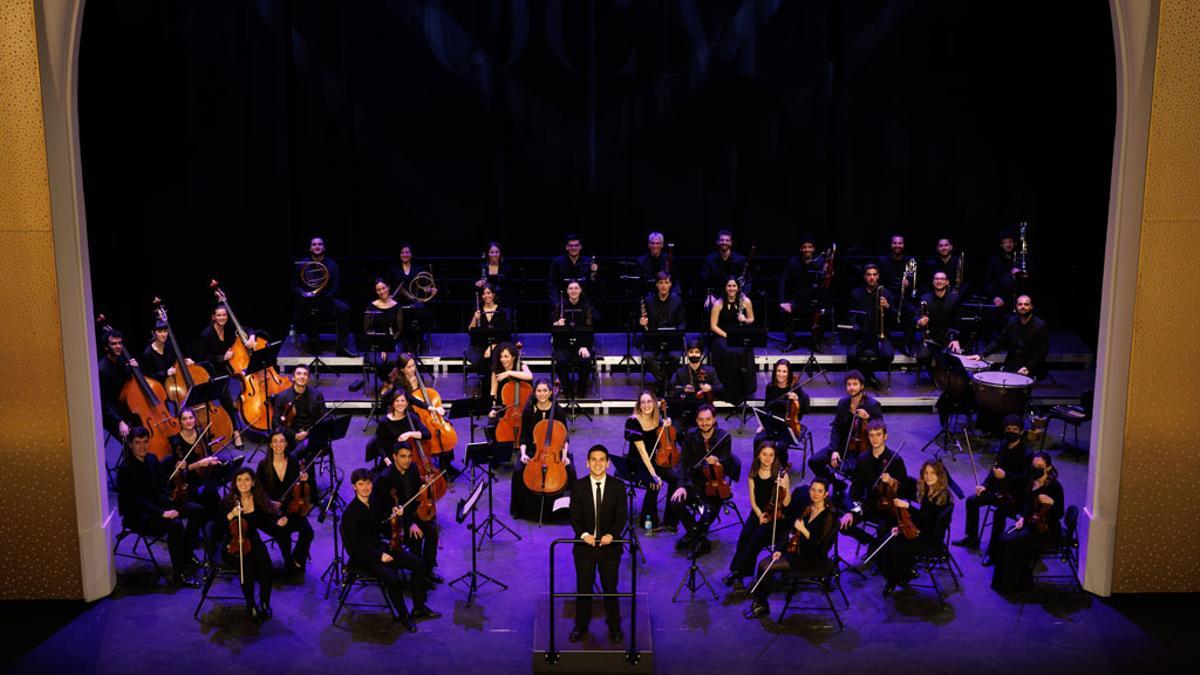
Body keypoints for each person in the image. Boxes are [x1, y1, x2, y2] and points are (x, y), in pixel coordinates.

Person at [341, 468, 439, 632]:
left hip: (381, 547)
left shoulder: (373, 502)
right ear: (354, 487)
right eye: (360, 484)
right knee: (392, 579)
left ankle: (419, 607)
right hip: (365, 558)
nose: (365, 487)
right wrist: (380, 555)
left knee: (420, 564)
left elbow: (383, 525)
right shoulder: (350, 513)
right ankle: (404, 617)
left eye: (368, 483)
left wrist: (394, 516)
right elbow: (354, 549)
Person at [116, 427, 202, 587]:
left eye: (145, 442)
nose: (142, 446)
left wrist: (175, 493)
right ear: (130, 445)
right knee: (175, 525)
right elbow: (136, 501)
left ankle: (187, 555)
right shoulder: (125, 470)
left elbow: (163, 484)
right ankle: (179, 575)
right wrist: (163, 513)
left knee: (196, 510)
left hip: (158, 505)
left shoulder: (152, 459)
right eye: (137, 443)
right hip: (138, 515)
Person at [743, 478, 838, 619]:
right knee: (763, 564)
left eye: (820, 491)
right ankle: (759, 601)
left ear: (826, 494)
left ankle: (761, 604)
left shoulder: (829, 515)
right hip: (797, 550)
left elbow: (821, 547)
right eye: (813, 490)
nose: (815, 494)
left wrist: (804, 530)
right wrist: (780, 550)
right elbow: (790, 533)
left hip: (813, 558)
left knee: (768, 568)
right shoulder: (808, 508)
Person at [568, 445, 628, 644]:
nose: (598, 463)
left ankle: (614, 626)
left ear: (608, 463)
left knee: (610, 587)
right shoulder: (578, 486)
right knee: (583, 587)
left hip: (609, 547)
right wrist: (584, 534)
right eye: (593, 459)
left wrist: (612, 534)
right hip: (585, 547)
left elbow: (621, 517)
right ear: (587, 463)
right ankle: (581, 625)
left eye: (602, 459)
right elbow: (574, 517)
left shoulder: (618, 487)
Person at [953, 414, 1031, 557]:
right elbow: (994, 470)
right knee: (972, 501)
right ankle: (972, 538)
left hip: (1015, 497)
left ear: (1021, 432)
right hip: (999, 491)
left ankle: (993, 551)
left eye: (1015, 429)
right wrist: (985, 485)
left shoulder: (1027, 453)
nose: (1011, 432)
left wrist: (1006, 475)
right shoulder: (1003, 445)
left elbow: (1026, 480)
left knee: (998, 514)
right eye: (1008, 429)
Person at [876, 460, 955, 597]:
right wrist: (901, 527)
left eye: (932, 473)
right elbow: (920, 517)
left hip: (930, 538)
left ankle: (894, 579)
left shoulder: (943, 496)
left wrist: (907, 506)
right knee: (884, 544)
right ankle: (906, 571)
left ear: (940, 475)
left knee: (895, 550)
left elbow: (928, 519)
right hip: (920, 529)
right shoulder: (926, 489)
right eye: (926, 473)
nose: (928, 476)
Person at [990, 451, 1064, 593]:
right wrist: (1022, 518)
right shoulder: (1031, 482)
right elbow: (1027, 505)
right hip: (1032, 523)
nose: (1036, 469)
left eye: (1040, 466)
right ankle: (1002, 583)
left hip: (1046, 529)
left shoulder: (1055, 487)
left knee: (1013, 542)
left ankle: (1017, 585)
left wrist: (1052, 502)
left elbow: (1059, 514)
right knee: (1004, 539)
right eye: (1034, 466)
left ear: (1048, 467)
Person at [666, 404, 735, 554]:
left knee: (709, 511)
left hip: (715, 485)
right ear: (697, 421)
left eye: (708, 419)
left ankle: (693, 535)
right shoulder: (690, 436)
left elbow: (728, 463)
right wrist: (681, 485)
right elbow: (682, 463)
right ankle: (698, 537)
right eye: (701, 420)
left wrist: (718, 461)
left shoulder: (724, 437)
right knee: (675, 503)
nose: (705, 423)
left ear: (714, 419)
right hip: (694, 482)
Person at [371, 443, 442, 584]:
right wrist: (410, 524)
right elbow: (383, 509)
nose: (407, 460)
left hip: (412, 512)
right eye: (402, 457)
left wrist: (424, 484)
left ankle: (428, 569)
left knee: (433, 530)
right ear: (394, 457)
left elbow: (415, 495)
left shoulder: (413, 468)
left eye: (409, 456)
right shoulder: (384, 479)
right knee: (416, 537)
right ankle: (418, 578)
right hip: (394, 521)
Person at [723, 442, 790, 590]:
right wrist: (760, 515)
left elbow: (786, 503)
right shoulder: (753, 474)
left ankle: (737, 572)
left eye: (771, 455)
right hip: (758, 513)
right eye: (764, 454)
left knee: (755, 539)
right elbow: (753, 501)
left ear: (775, 457)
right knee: (744, 537)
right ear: (758, 455)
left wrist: (786, 486)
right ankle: (739, 574)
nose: (767, 458)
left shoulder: (780, 475)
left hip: (775, 517)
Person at [836, 421, 911, 551]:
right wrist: (851, 511)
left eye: (878, 435)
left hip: (890, 507)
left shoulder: (895, 460)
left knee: (884, 529)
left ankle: (879, 550)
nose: (874, 439)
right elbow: (855, 489)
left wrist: (893, 482)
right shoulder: (863, 459)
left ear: (885, 436)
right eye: (871, 435)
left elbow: (905, 489)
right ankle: (873, 544)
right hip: (868, 504)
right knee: (843, 524)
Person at [219, 468, 281, 622]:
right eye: (239, 480)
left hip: (252, 539)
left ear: (253, 482)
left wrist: (278, 523)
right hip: (232, 543)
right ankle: (250, 604)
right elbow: (218, 528)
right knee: (247, 569)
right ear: (235, 483)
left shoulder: (259, 499)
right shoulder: (228, 501)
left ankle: (265, 603)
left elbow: (267, 521)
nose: (243, 483)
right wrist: (231, 515)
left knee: (266, 568)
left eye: (247, 479)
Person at [511, 379, 576, 522]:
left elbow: (565, 438)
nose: (542, 394)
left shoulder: (558, 411)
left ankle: (565, 510)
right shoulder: (529, 410)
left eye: (545, 390)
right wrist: (522, 454)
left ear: (551, 392)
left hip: (556, 451)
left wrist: (564, 456)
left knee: (570, 471)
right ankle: (520, 510)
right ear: (535, 393)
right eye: (539, 391)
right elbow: (524, 437)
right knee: (518, 470)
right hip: (534, 451)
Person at [255, 429, 316, 577]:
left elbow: (303, 492)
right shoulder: (263, 465)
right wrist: (270, 503)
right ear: (270, 444)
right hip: (270, 512)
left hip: (291, 508)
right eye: (275, 441)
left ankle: (297, 558)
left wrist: (305, 480)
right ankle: (288, 562)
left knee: (308, 532)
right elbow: (258, 492)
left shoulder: (294, 462)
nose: (278, 445)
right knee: (282, 531)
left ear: (287, 444)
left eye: (282, 441)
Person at [807, 371, 883, 481]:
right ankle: (837, 484)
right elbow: (836, 428)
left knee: (854, 470)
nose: (852, 387)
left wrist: (868, 418)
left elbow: (880, 429)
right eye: (849, 384)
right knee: (814, 461)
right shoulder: (843, 403)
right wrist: (835, 450)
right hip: (843, 446)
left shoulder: (872, 405)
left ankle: (857, 492)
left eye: (855, 384)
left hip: (863, 449)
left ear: (862, 386)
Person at [195, 303, 251, 447]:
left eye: (224, 315)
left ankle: (237, 406)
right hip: (213, 371)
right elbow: (202, 358)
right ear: (213, 317)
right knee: (226, 396)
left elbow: (247, 329)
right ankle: (236, 432)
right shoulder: (206, 334)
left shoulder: (229, 328)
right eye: (219, 315)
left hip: (229, 368)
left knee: (245, 379)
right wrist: (221, 358)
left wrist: (252, 336)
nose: (222, 318)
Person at [624, 391, 678, 531]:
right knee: (654, 483)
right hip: (637, 462)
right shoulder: (633, 422)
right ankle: (648, 521)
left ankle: (670, 519)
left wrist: (668, 426)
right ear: (639, 405)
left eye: (649, 402)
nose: (646, 405)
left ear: (655, 404)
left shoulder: (658, 421)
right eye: (643, 402)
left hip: (655, 460)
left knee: (675, 477)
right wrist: (653, 475)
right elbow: (642, 453)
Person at [291, 236, 353, 356]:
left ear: (323, 247)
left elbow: (336, 286)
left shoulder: (332, 265)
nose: (317, 246)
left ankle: (341, 347)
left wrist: (325, 298)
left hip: (326, 300)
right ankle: (313, 342)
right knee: (301, 311)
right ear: (310, 248)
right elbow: (294, 285)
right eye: (314, 244)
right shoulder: (302, 264)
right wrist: (303, 293)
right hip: (307, 301)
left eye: (320, 244)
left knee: (345, 309)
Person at [967, 294, 1049, 378]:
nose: (1023, 307)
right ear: (1016, 307)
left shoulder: (1040, 325)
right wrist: (981, 355)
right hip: (1012, 363)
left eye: (1026, 304)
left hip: (1030, 365)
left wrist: (1028, 367)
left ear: (1031, 307)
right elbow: (999, 341)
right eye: (1020, 304)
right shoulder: (1012, 322)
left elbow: (1042, 351)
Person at [167, 407, 225, 523]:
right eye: (184, 419)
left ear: (195, 419)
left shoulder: (201, 432)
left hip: (205, 475)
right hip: (189, 480)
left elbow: (207, 453)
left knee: (216, 498)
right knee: (208, 499)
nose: (188, 421)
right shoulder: (176, 441)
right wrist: (199, 463)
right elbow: (183, 471)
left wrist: (211, 460)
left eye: (191, 418)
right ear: (180, 422)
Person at [847, 264, 895, 390]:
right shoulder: (856, 293)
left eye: (874, 275)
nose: (872, 278)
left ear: (878, 276)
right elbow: (851, 315)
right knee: (851, 355)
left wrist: (888, 307)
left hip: (880, 334)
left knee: (888, 355)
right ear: (864, 277)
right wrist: (855, 326)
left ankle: (866, 373)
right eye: (869, 275)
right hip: (861, 335)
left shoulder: (885, 293)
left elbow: (894, 318)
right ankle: (869, 376)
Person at [709, 277, 756, 404]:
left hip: (740, 335)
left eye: (734, 286)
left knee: (742, 350)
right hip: (723, 335)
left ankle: (743, 390)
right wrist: (727, 336)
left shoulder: (745, 301)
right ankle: (725, 390)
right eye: (729, 286)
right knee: (726, 351)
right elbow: (713, 326)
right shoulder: (718, 303)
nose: (731, 289)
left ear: (738, 287)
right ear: (725, 287)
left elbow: (752, 319)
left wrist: (744, 319)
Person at [755, 359, 810, 468]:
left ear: (789, 373)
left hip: (789, 425)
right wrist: (762, 424)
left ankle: (783, 467)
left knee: (780, 446)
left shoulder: (795, 388)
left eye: (784, 371)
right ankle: (758, 467)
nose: (781, 374)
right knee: (758, 439)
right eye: (778, 371)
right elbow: (767, 406)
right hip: (774, 421)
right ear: (775, 372)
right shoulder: (770, 386)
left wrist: (797, 399)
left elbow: (805, 408)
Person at [778, 235, 829, 351]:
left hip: (815, 299)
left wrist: (827, 273)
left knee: (826, 312)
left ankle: (817, 342)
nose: (807, 249)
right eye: (805, 247)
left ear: (813, 249)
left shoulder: (820, 262)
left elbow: (826, 283)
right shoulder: (793, 263)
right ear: (801, 249)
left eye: (810, 247)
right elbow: (783, 280)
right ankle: (791, 341)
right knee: (784, 310)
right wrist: (782, 302)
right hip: (797, 300)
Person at [639, 271, 686, 397]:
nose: (663, 286)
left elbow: (682, 323)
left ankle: (663, 384)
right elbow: (644, 324)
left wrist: (677, 332)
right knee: (647, 356)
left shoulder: (677, 301)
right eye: (661, 283)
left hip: (672, 340)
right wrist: (643, 323)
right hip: (654, 340)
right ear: (656, 285)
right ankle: (666, 383)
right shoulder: (648, 301)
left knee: (675, 357)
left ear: (670, 284)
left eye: (666, 283)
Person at [552, 280, 596, 399]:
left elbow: (589, 328)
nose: (573, 291)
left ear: (580, 290)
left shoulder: (586, 306)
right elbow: (552, 327)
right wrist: (557, 324)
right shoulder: (560, 306)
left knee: (585, 360)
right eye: (571, 288)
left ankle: (582, 389)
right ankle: (567, 389)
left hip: (582, 344)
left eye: (576, 288)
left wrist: (584, 345)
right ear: (567, 291)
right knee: (561, 360)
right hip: (563, 344)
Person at [271, 364, 325, 458]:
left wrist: (310, 432)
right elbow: (275, 423)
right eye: (299, 374)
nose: (302, 377)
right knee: (306, 451)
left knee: (307, 447)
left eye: (305, 374)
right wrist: (294, 435)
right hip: (291, 434)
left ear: (308, 379)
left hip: (311, 433)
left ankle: (291, 463)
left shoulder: (317, 394)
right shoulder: (282, 397)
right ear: (293, 377)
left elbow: (323, 416)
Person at [914, 271, 964, 371]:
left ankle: (945, 379)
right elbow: (917, 316)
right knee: (922, 356)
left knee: (954, 357)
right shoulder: (925, 298)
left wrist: (955, 339)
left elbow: (958, 320)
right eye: (936, 279)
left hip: (948, 337)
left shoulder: (954, 299)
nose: (939, 281)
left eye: (942, 279)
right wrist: (919, 322)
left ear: (947, 282)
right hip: (930, 337)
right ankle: (934, 376)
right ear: (933, 282)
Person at [368, 389, 431, 466]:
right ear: (393, 403)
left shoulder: (412, 417)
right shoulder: (384, 421)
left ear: (407, 403)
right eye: (397, 401)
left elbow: (427, 434)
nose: (400, 404)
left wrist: (410, 434)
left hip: (409, 459)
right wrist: (388, 462)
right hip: (391, 459)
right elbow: (379, 445)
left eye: (402, 401)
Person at [361, 278, 404, 390]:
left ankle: (387, 383)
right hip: (374, 341)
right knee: (377, 361)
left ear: (388, 288)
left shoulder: (397, 307)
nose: (382, 291)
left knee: (391, 360)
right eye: (378, 290)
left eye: (383, 288)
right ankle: (387, 382)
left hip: (393, 340)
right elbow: (367, 329)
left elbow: (398, 330)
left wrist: (387, 345)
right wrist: (380, 346)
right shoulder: (371, 306)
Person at [466, 283, 514, 382]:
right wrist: (475, 318)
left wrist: (492, 346)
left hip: (498, 344)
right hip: (480, 345)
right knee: (478, 359)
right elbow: (471, 331)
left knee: (495, 356)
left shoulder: (501, 311)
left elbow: (505, 334)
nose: (486, 296)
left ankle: (492, 384)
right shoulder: (477, 311)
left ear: (493, 294)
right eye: (484, 294)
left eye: (489, 293)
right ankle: (485, 383)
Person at [984, 229, 1033, 314]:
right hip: (1001, 301)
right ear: (1001, 245)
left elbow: (1031, 278)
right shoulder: (995, 260)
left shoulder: (1022, 258)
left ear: (1014, 243)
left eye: (1010, 242)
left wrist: (1021, 275)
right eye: (1005, 243)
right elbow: (988, 281)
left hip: (1020, 302)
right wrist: (995, 297)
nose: (1008, 245)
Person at [97, 329, 134, 440]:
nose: (118, 346)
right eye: (114, 344)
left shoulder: (122, 360)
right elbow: (104, 402)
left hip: (126, 408)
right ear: (106, 347)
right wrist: (119, 421)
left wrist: (132, 369)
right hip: (112, 416)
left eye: (119, 343)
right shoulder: (101, 369)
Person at [699, 230, 747, 308]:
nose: (724, 242)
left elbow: (747, 280)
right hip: (716, 294)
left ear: (731, 243)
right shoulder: (710, 259)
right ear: (717, 242)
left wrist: (743, 294)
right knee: (710, 306)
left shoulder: (739, 259)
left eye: (727, 240)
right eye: (722, 240)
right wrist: (709, 296)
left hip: (734, 293)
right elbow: (704, 280)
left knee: (743, 306)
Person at [547, 233, 598, 301]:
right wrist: (555, 302)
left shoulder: (588, 261)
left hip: (583, 300)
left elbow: (592, 283)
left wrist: (593, 272)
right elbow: (552, 283)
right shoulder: (558, 261)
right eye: (571, 245)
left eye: (576, 245)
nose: (574, 248)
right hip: (563, 298)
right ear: (567, 247)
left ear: (580, 247)